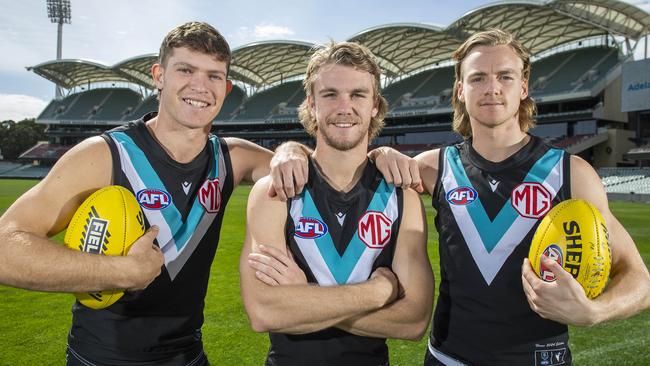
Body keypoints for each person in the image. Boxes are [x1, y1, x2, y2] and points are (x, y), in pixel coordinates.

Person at [0, 22, 313, 366]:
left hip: (189, 356)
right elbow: (5, 248)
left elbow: (323, 171)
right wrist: (120, 273)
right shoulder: (104, 155)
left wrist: (296, 149)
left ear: (227, 88)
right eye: (186, 70)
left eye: (213, 76)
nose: (200, 86)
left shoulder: (232, 157)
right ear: (159, 76)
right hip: (101, 359)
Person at [403, 29, 650, 365]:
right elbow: (352, 174)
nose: (492, 88)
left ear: (523, 87)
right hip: (448, 358)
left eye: (505, 76)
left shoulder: (570, 173)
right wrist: (377, 154)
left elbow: (639, 278)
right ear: (460, 90)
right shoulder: (432, 167)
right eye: (478, 78)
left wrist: (595, 311)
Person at [239, 41, 434, 366]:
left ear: (375, 105)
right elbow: (265, 312)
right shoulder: (275, 191)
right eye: (330, 95)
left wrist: (304, 297)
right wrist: (377, 293)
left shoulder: (402, 196)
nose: (344, 107)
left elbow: (413, 321)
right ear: (312, 104)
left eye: (358, 94)